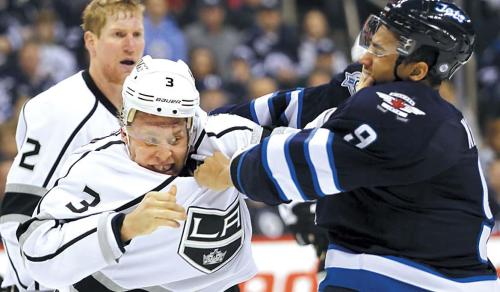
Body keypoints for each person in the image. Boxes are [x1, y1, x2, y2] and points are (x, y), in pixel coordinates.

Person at [195, 1, 500, 291]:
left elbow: (307, 163)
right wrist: (200, 124)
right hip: (377, 269)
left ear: (416, 71)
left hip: (419, 280)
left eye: (379, 50)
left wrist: (234, 170)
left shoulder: (413, 114)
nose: (364, 58)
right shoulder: (369, 85)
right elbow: (296, 107)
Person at [17, 56, 260, 291]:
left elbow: (293, 153)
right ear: (125, 129)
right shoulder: (96, 169)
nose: (164, 155)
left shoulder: (223, 141)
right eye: (150, 140)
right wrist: (124, 227)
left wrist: (237, 173)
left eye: (176, 138)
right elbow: (38, 254)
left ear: (191, 126)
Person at [0, 1, 145, 290]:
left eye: (137, 34)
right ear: (91, 41)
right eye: (118, 35)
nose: (131, 45)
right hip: (64, 274)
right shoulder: (59, 109)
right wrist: (29, 283)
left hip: (123, 270)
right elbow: (18, 213)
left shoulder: (150, 105)